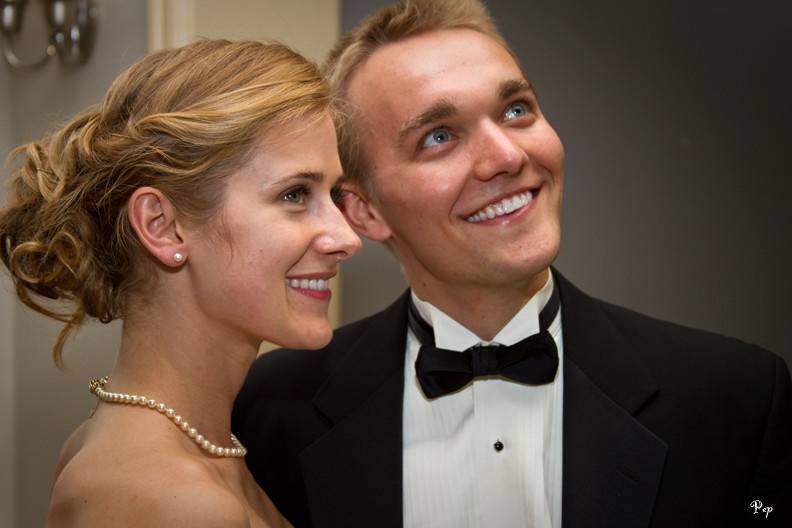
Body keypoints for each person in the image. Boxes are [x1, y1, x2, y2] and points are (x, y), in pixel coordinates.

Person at [232, 1, 792, 527]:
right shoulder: (268, 414)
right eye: (439, 136)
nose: (506, 156)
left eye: (516, 109)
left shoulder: (737, 398)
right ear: (365, 210)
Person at [0, 39, 360, 527]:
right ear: (162, 226)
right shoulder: (171, 499)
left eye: (334, 195)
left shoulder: (179, 449)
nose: (345, 237)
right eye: (295, 194)